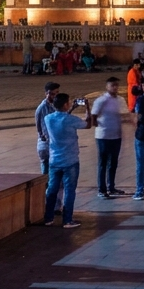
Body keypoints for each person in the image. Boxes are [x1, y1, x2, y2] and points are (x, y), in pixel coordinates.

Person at [43, 93, 92, 228]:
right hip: (70, 160)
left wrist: (71, 109)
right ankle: (67, 220)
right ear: (65, 104)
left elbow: (62, 118)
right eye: (69, 102)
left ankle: (48, 217)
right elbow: (88, 124)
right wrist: (87, 107)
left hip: (54, 160)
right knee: (69, 190)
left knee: (52, 189)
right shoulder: (71, 120)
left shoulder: (48, 119)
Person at [86, 77, 125, 199]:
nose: (115, 88)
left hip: (116, 136)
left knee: (113, 163)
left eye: (116, 85)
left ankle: (111, 187)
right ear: (107, 86)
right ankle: (102, 189)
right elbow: (93, 115)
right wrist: (98, 126)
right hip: (103, 136)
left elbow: (124, 114)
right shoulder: (101, 100)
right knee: (103, 163)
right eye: (112, 85)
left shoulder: (120, 100)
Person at [34, 82, 60, 175]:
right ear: (46, 93)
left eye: (57, 93)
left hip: (55, 142)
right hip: (45, 144)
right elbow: (38, 125)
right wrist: (41, 135)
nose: (55, 96)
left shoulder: (56, 105)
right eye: (52, 93)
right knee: (46, 169)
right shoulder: (42, 108)